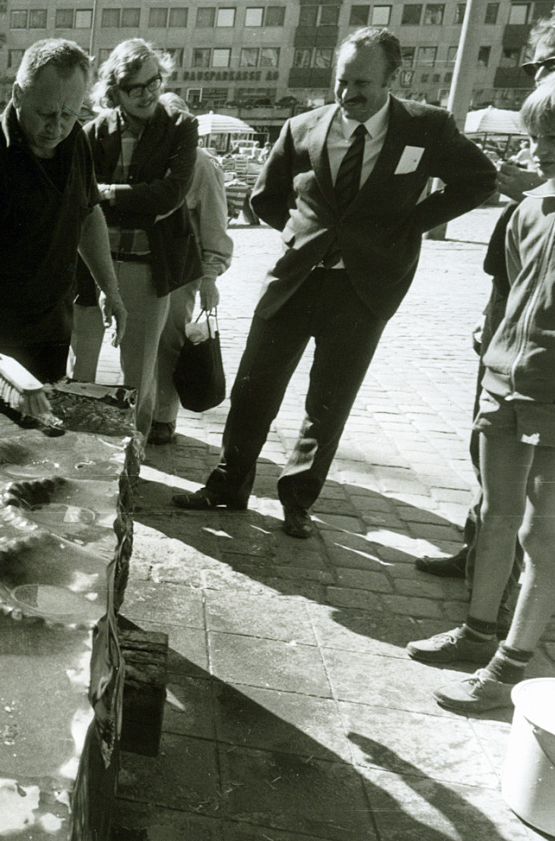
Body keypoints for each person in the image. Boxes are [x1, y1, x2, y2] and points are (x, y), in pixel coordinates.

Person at [172, 27, 496, 539]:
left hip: (364, 288)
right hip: (295, 281)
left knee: (329, 401)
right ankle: (228, 485)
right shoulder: (302, 127)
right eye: (342, 81)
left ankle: (298, 500)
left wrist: (409, 224)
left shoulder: (427, 127)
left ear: (393, 78)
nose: (348, 94)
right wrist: (304, 235)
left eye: (362, 83)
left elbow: (479, 180)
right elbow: (265, 198)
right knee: (254, 387)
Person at [408, 57, 555, 714]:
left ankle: (508, 667)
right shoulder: (530, 206)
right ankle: (477, 633)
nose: (538, 152)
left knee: (540, 530)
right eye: (533, 138)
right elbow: (508, 291)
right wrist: (496, 350)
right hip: (502, 383)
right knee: (496, 517)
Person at [0, 37, 127, 384]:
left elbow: (88, 213)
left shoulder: (75, 140)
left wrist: (109, 289)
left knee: (43, 414)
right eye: (46, 113)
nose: (57, 126)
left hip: (51, 328)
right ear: (18, 95)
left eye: (69, 114)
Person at [72, 39, 199, 440]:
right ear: (115, 90)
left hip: (147, 267)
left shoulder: (180, 127)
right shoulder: (93, 133)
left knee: (140, 370)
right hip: (93, 267)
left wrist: (110, 193)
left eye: (153, 82)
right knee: (81, 368)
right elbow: (82, 200)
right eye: (135, 88)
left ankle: (134, 447)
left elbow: (171, 195)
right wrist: (140, 199)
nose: (147, 94)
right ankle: (77, 445)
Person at [148, 91, 234, 446]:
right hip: (141, 264)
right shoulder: (148, 156)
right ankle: (141, 412)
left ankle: (162, 418)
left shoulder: (201, 163)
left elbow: (214, 225)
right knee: (142, 345)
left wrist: (210, 277)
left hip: (179, 270)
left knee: (168, 345)